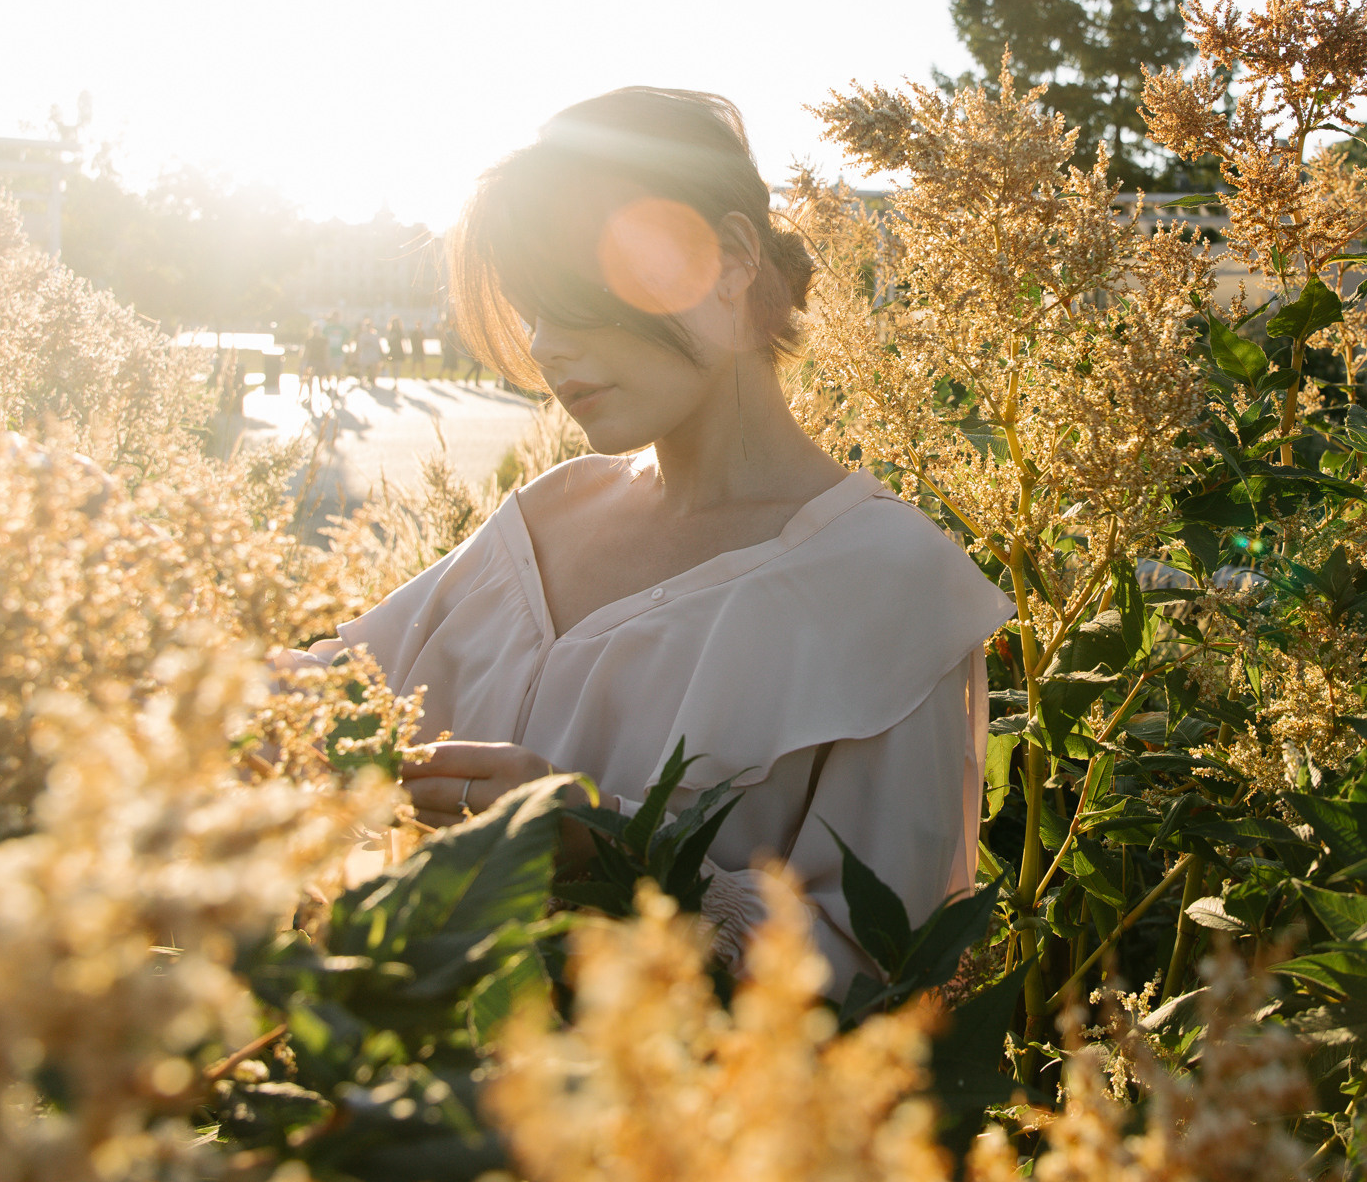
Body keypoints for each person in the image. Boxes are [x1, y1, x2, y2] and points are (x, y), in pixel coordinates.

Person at [275, 87, 1010, 983]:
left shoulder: (892, 588)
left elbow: (886, 971)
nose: (544, 345)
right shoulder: (548, 515)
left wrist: (616, 856)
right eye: (530, 307)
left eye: (576, 298)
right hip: (417, 1099)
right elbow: (317, 700)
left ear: (730, 261)